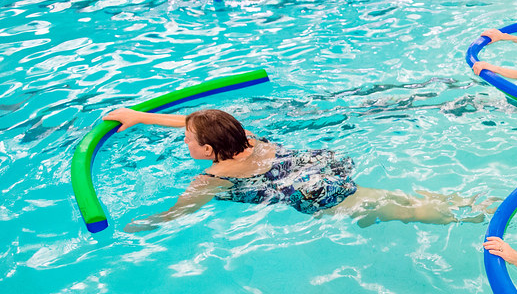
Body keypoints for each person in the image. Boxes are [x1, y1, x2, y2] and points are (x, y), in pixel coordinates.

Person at [101, 107, 491, 230]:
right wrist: (137, 116)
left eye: (188, 140)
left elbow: (176, 214)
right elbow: (195, 120)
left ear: (207, 149)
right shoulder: (248, 138)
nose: (182, 141)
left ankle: (472, 218)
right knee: (387, 199)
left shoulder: (212, 179)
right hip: (313, 166)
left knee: (403, 212)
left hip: (311, 192)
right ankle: (470, 203)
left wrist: (137, 226)